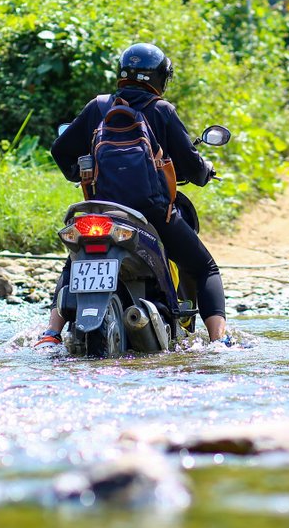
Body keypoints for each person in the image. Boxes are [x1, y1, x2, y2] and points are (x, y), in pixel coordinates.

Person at [36, 42, 228, 347]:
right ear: (160, 78)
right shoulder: (161, 110)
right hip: (150, 214)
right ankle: (220, 342)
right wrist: (205, 171)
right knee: (205, 267)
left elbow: (60, 149)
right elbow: (191, 165)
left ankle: (50, 334)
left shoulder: (98, 107)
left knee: (74, 260)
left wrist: (79, 174)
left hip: (101, 211)